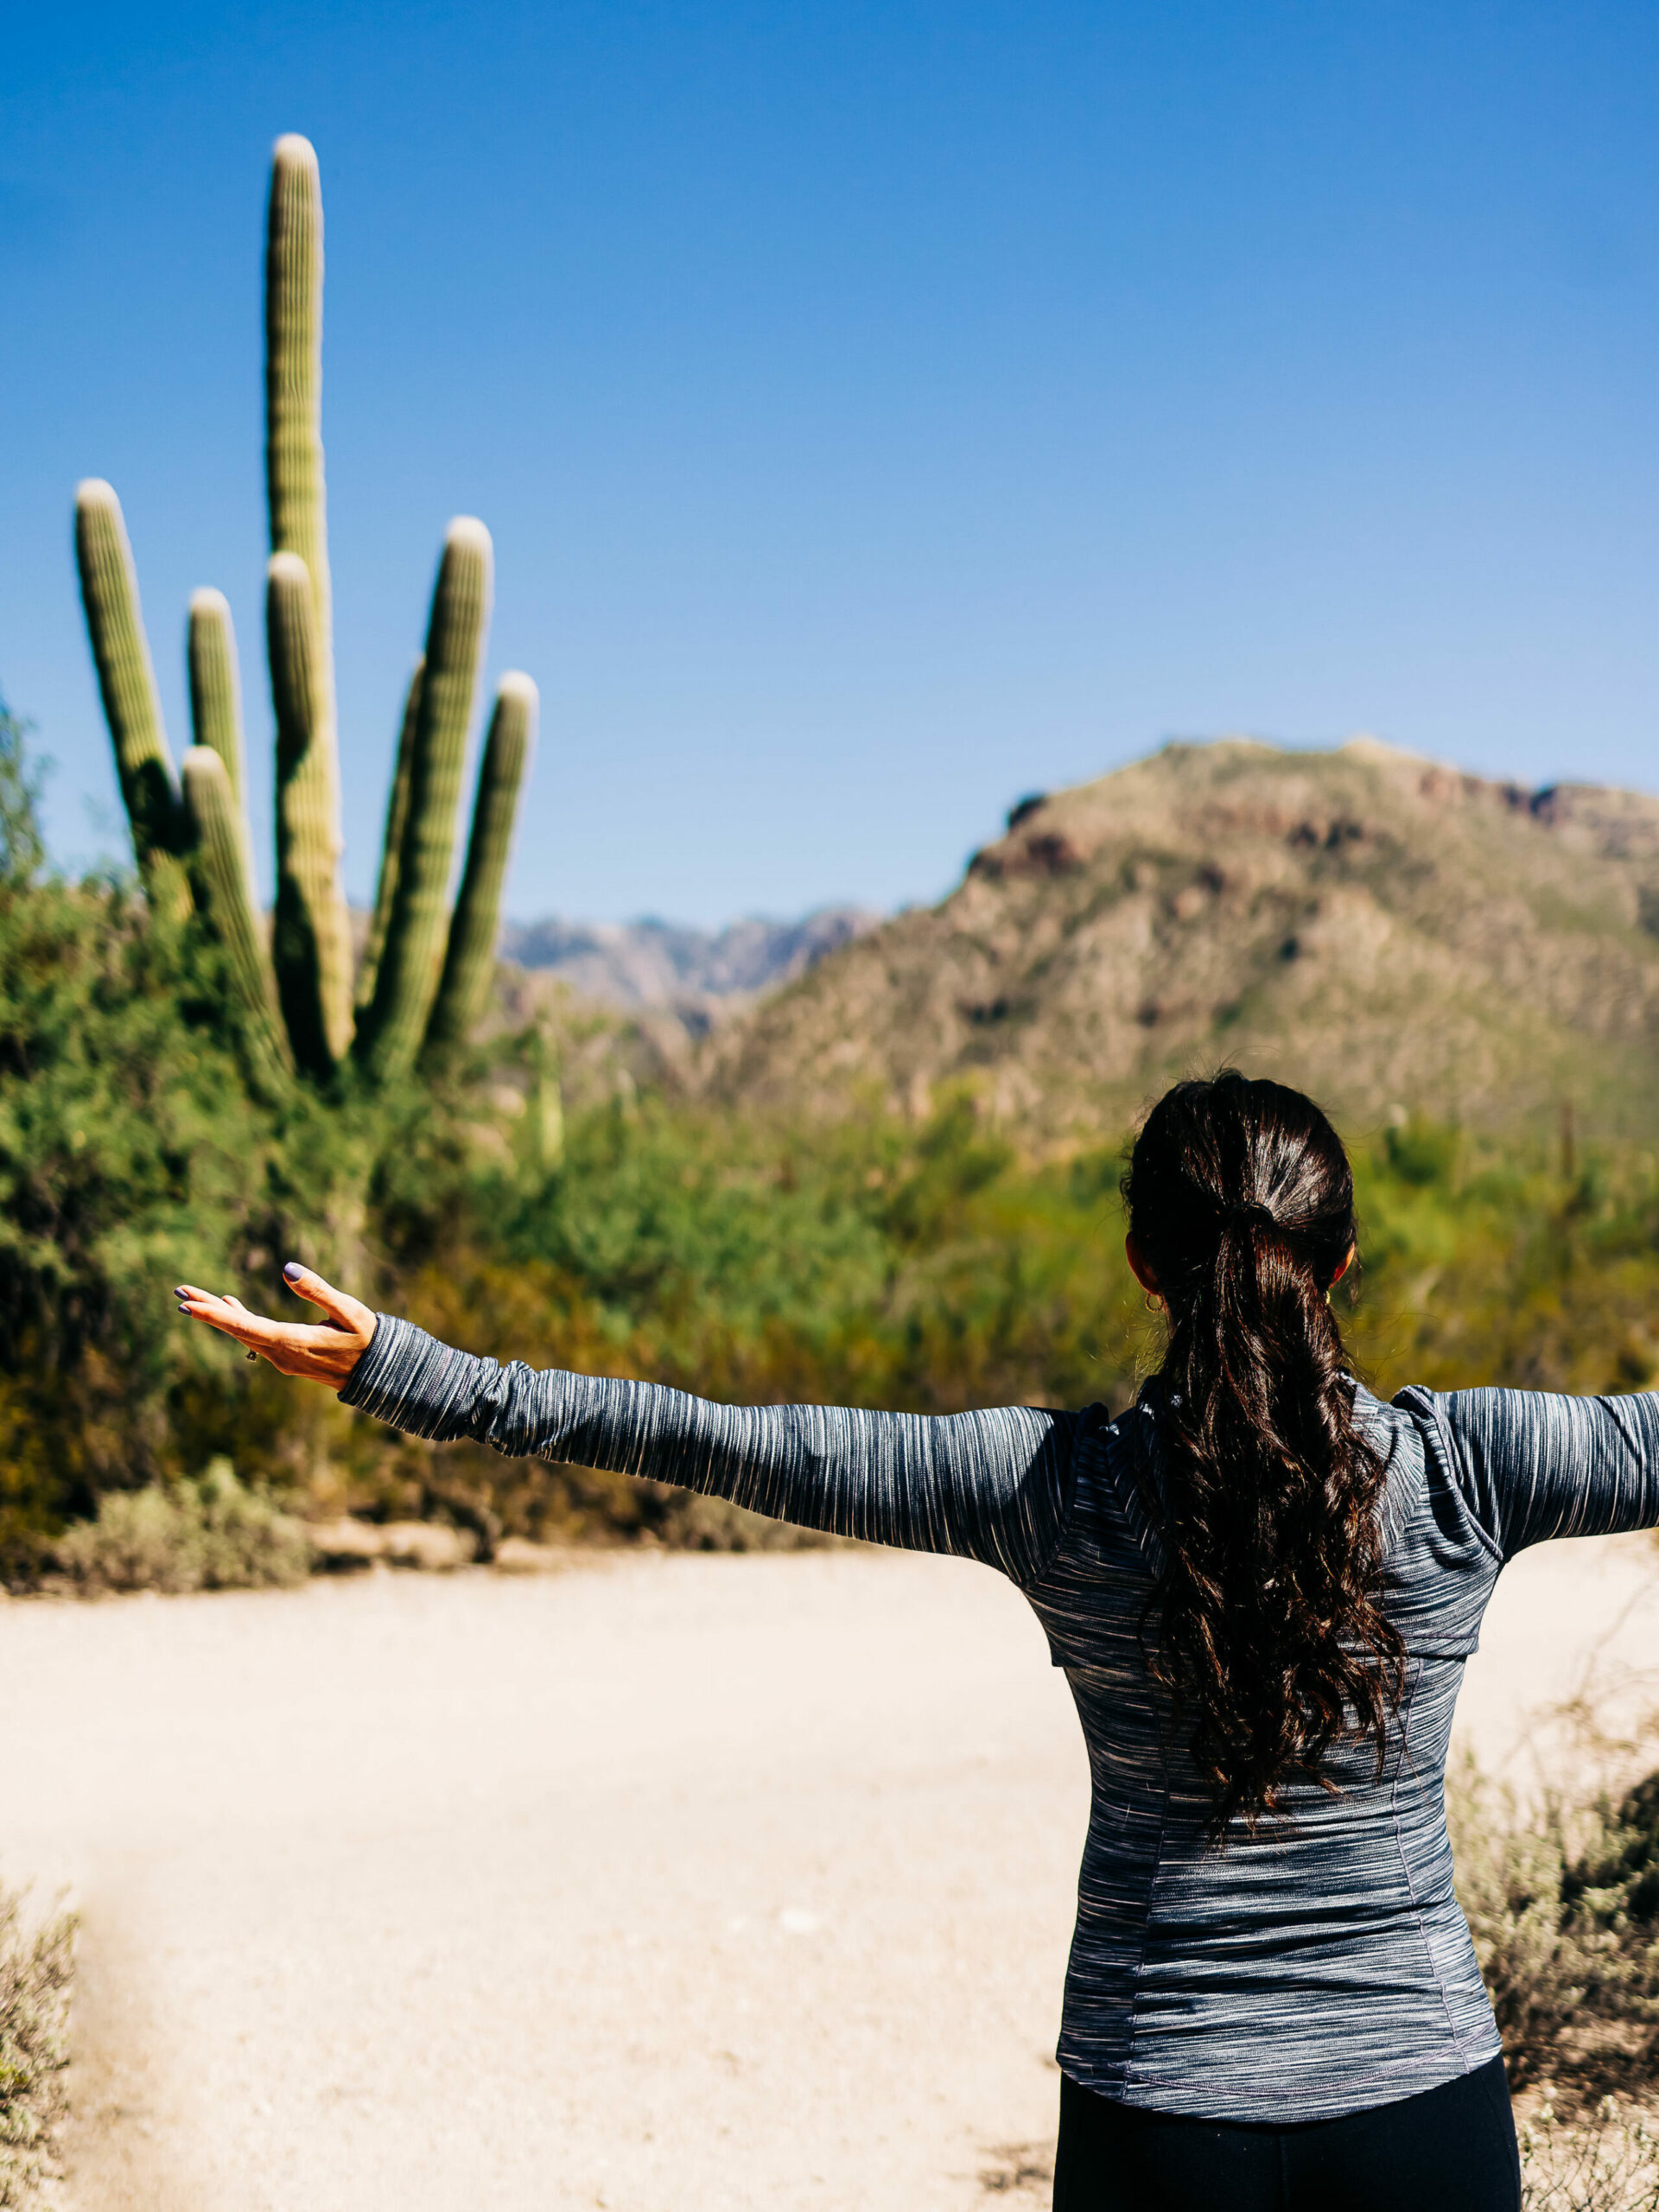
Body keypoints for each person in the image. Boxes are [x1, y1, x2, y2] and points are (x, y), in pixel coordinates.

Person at [175, 1070, 1659, 2212]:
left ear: (1144, 1269)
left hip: (1158, 2111)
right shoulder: (1471, 1469)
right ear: (1339, 1267)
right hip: (1420, 2114)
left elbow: (723, 1441)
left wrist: (414, 1374)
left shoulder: (1052, 1489)